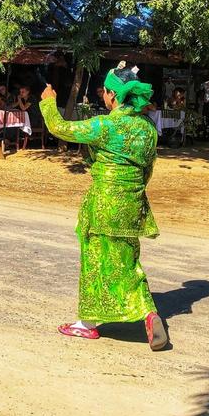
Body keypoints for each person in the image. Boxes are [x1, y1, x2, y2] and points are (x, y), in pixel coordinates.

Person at [38, 62, 168, 351]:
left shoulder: (106, 125)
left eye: (105, 93)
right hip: (132, 202)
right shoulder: (147, 128)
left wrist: (48, 103)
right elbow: (148, 168)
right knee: (128, 262)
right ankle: (149, 313)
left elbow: (60, 128)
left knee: (95, 260)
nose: (103, 98)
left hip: (104, 203)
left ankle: (87, 324)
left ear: (112, 94)